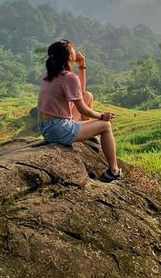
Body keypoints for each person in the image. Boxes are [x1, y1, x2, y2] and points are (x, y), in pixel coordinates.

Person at [37, 39, 121, 182]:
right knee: (106, 126)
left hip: (46, 127)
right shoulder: (68, 77)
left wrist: (82, 67)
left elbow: (79, 93)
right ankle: (114, 171)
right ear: (69, 56)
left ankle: (88, 136)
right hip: (59, 130)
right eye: (73, 49)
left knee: (87, 96)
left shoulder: (52, 73)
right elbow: (82, 108)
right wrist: (102, 116)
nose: (76, 51)